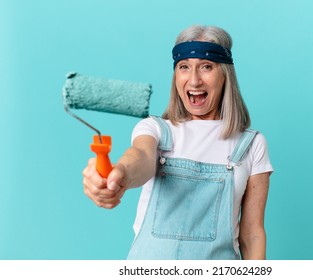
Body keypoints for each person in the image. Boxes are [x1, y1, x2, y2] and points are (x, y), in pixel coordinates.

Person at [82, 25, 273, 260]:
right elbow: (140, 157)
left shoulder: (251, 145)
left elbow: (251, 234)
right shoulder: (155, 129)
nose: (194, 81)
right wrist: (119, 173)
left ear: (225, 74)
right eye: (184, 67)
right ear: (175, 76)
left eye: (206, 67)